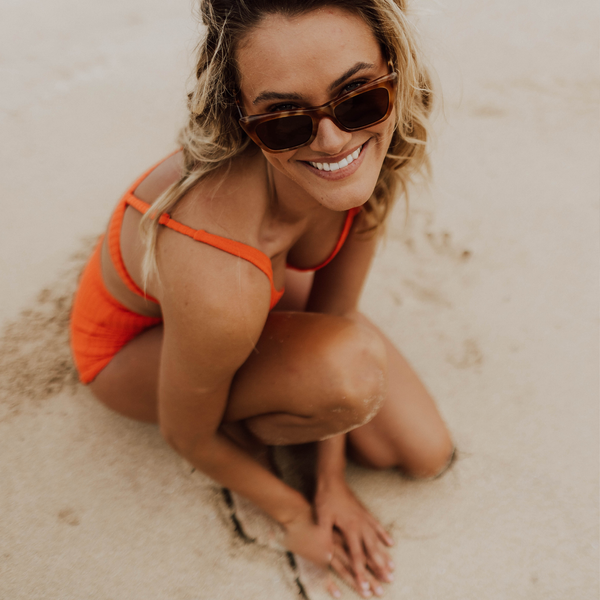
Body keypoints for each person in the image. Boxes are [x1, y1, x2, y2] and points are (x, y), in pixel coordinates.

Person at [70, 0, 454, 596]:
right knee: (347, 376)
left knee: (422, 451)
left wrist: (330, 481)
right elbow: (187, 434)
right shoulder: (219, 276)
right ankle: (256, 423)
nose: (332, 139)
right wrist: (296, 515)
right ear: (240, 116)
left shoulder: (380, 147)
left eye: (358, 98)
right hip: (134, 347)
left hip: (259, 290)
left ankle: (283, 404)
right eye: (284, 119)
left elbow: (337, 313)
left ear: (393, 71)